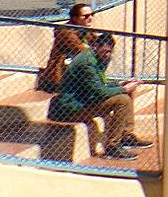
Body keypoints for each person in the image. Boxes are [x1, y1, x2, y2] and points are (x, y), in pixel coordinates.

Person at [48, 31, 151, 159]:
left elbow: (99, 84)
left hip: (85, 101)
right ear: (96, 46)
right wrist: (123, 89)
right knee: (122, 99)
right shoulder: (87, 63)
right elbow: (100, 91)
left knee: (126, 92)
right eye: (105, 51)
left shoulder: (96, 58)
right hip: (70, 109)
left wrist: (122, 84)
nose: (107, 55)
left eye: (110, 52)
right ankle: (113, 147)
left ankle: (126, 135)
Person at [37, 2, 94, 91]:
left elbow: (98, 43)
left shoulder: (84, 30)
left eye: (92, 14)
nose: (90, 18)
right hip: (59, 73)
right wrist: (95, 48)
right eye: (86, 16)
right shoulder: (65, 30)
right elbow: (80, 48)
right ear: (75, 18)